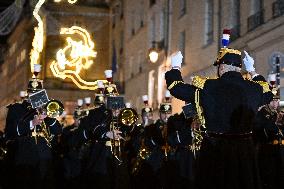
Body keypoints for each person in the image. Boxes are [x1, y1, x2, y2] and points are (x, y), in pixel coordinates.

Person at [165, 34, 273, 188]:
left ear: (221, 67)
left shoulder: (208, 87)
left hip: (216, 152)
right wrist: (253, 70)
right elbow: (268, 93)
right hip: (245, 153)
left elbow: (176, 87)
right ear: (239, 68)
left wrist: (175, 67)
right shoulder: (255, 88)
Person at [254, 89, 284, 188]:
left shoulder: (274, 113)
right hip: (265, 148)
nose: (277, 102)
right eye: (275, 100)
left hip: (275, 147)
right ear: (269, 101)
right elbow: (265, 128)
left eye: (277, 100)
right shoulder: (262, 113)